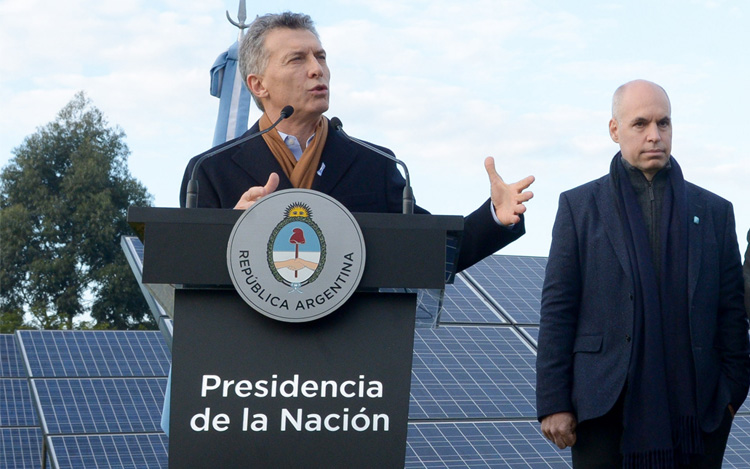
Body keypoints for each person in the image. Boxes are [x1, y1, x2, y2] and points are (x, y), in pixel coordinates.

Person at [179, 11, 534, 273]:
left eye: (320, 57)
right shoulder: (210, 171)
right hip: (244, 366)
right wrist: (228, 233)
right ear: (258, 85)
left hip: (352, 365)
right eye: (297, 59)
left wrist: (495, 217)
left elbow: (434, 253)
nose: (317, 69)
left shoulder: (375, 164)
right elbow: (187, 274)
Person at [536, 79, 750, 467]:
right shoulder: (579, 207)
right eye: (640, 124)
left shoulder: (715, 211)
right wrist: (553, 401)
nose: (655, 135)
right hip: (603, 408)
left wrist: (732, 395)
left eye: (663, 123)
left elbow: (731, 311)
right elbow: (557, 310)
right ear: (614, 130)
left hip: (698, 416)